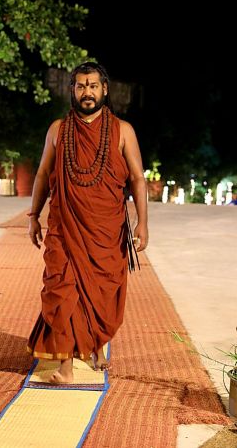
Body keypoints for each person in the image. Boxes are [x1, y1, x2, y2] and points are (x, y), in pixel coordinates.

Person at [26, 62, 148, 384]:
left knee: (101, 295)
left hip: (106, 231)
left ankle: (95, 345)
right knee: (62, 289)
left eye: (93, 86)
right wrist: (33, 216)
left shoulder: (123, 131)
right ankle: (65, 367)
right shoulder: (58, 130)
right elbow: (42, 174)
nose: (87, 92)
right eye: (80, 86)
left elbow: (137, 178)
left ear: (104, 89)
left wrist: (142, 223)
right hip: (64, 228)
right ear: (73, 90)